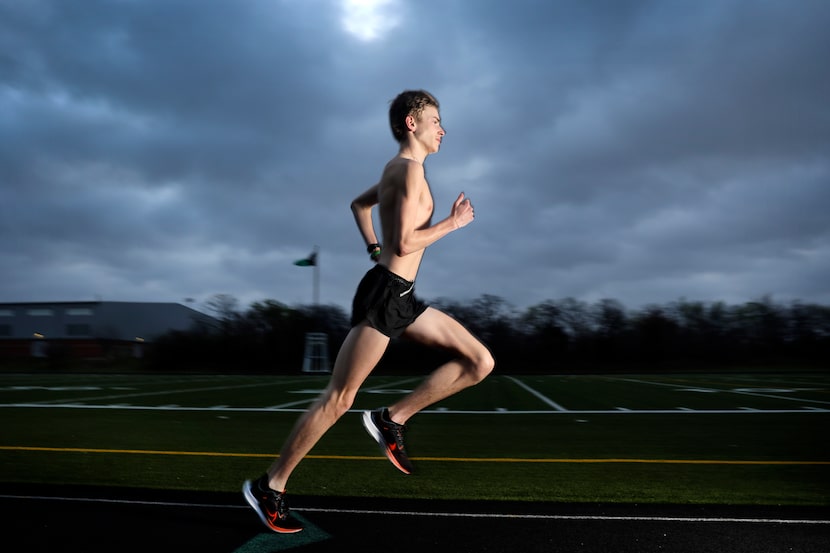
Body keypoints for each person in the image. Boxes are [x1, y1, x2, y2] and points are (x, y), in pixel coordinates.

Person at [243, 89, 495, 533]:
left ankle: (391, 418)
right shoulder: (407, 172)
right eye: (436, 120)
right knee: (339, 399)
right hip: (384, 297)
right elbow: (404, 244)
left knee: (480, 361)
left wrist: (372, 246)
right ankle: (270, 486)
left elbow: (360, 206)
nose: (443, 128)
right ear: (411, 124)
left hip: (401, 295)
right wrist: (451, 225)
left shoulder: (401, 171)